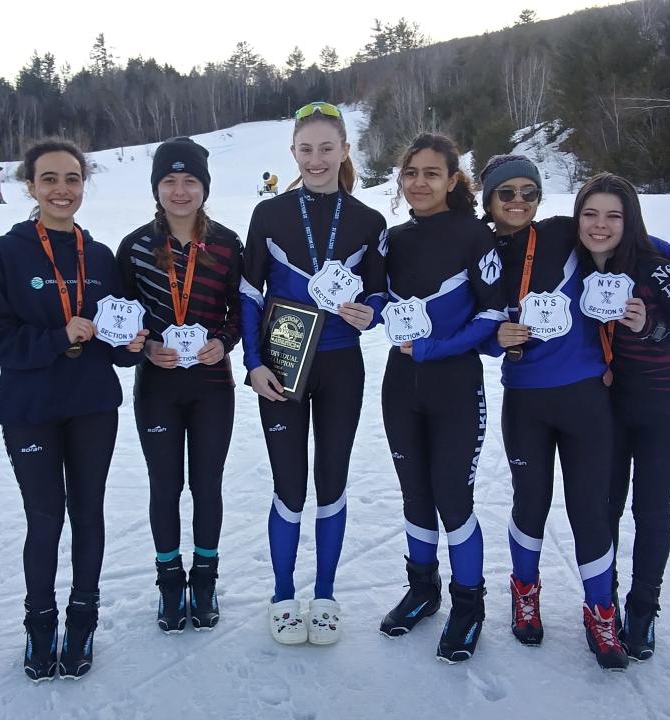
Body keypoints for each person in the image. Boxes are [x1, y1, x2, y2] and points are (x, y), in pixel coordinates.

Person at [478, 154, 670, 670]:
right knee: (529, 502)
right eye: (506, 193)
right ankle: (525, 594)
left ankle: (602, 611)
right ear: (489, 200)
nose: (517, 202)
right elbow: (470, 321)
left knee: (590, 509)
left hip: (586, 398)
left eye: (528, 192)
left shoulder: (563, 232)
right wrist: (495, 340)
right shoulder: (479, 250)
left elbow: (634, 240)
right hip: (526, 401)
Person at [0, 138, 147, 681]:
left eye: (72, 179)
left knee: (88, 513)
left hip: (92, 405)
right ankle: (40, 623)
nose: (62, 190)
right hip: (31, 408)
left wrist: (128, 347)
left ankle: (83, 617)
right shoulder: (7, 251)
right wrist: (54, 337)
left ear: (82, 186)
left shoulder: (100, 256)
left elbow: (114, 333)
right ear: (31, 186)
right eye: (50, 179)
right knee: (45, 518)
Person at [240, 101, 387, 645]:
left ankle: (324, 593)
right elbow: (249, 294)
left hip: (341, 364)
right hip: (282, 361)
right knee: (288, 485)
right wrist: (253, 363)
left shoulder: (370, 222)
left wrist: (368, 311)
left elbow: (378, 292)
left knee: (331, 480)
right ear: (293, 153)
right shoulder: (269, 215)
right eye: (307, 149)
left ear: (346, 150)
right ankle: (283, 595)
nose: (317, 159)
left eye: (328, 148)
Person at [378, 133, 507, 662]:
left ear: (453, 180)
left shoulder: (475, 237)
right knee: (414, 495)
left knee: (452, 498)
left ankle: (469, 605)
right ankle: (423, 589)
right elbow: (371, 291)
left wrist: (435, 348)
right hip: (400, 388)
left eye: (432, 173)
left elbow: (494, 313)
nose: (419, 183)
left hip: (455, 385)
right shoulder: (394, 239)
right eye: (411, 173)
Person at [573, 173, 670, 660]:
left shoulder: (654, 267)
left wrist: (650, 327)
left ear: (629, 222)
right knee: (602, 508)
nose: (601, 225)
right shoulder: (574, 264)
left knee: (650, 511)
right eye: (590, 214)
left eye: (614, 216)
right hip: (605, 407)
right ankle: (602, 605)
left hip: (662, 406)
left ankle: (643, 610)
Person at [117, 137, 243, 633]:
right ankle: (170, 582)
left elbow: (240, 313)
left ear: (204, 187)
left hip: (212, 384)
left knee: (207, 483)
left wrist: (223, 342)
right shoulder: (135, 247)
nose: (180, 190)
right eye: (169, 181)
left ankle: (205, 579)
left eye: (190, 180)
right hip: (158, 387)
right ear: (156, 188)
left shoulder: (228, 245)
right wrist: (146, 347)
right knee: (165, 486)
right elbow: (124, 320)